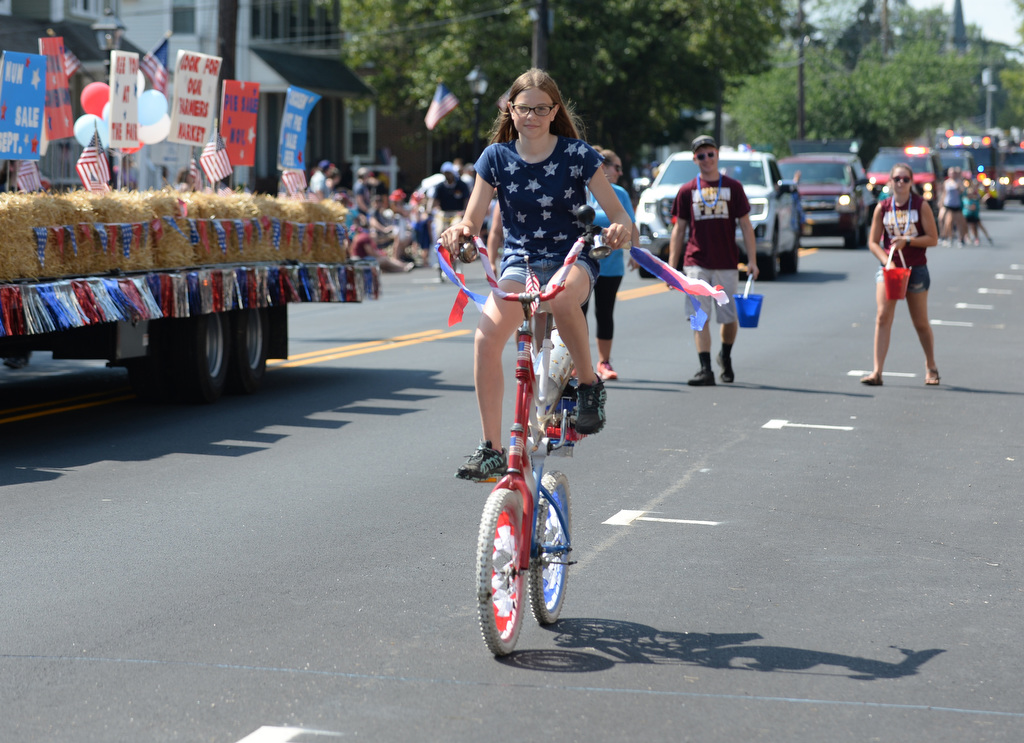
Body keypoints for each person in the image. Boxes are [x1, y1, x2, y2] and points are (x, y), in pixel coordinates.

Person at [439, 68, 632, 482]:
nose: (531, 116)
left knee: (562, 297)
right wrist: (459, 229)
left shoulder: (579, 155)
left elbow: (617, 214)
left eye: (541, 109)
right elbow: (472, 218)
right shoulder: (495, 158)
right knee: (486, 337)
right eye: (524, 108)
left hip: (572, 255)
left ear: (554, 110)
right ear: (510, 109)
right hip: (520, 262)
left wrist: (618, 228)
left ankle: (589, 385)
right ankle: (491, 447)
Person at [668, 134, 759, 386]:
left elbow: (746, 225)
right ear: (694, 159)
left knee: (729, 318)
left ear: (717, 155)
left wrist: (752, 260)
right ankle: (705, 367)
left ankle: (725, 356)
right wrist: (672, 267)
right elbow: (679, 229)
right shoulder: (687, 190)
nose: (706, 159)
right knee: (699, 316)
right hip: (696, 262)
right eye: (700, 155)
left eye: (710, 154)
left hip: (727, 263)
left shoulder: (733, 187)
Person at [860, 162, 940, 387]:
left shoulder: (920, 205)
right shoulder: (883, 207)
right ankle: (877, 372)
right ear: (890, 182)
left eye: (906, 179)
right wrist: (888, 262)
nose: (901, 183)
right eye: (897, 179)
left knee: (920, 322)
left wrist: (909, 241)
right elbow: (873, 242)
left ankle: (931, 365)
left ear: (911, 182)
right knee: (883, 316)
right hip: (890, 270)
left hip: (915, 269)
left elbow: (933, 238)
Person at [582, 147, 638, 381]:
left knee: (605, 312)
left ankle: (604, 362)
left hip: (610, 264)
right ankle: (577, 361)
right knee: (577, 313)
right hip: (580, 263)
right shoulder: (578, 192)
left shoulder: (618, 193)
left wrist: (636, 251)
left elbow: (630, 223)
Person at [939, 167, 966, 246]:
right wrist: (941, 202)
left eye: (953, 173)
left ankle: (960, 239)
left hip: (956, 204)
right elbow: (944, 193)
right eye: (950, 173)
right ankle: (949, 238)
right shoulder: (946, 182)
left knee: (958, 222)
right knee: (948, 222)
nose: (952, 174)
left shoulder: (959, 182)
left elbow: (962, 191)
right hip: (948, 204)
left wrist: (958, 188)